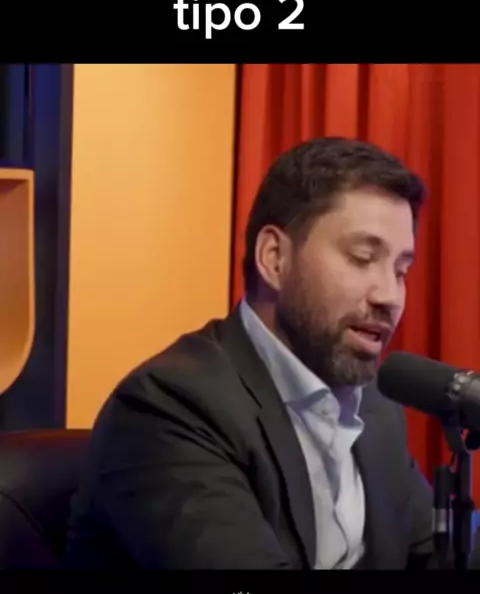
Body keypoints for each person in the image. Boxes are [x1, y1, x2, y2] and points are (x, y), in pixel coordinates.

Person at [64, 136, 434, 570]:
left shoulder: (375, 410)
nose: (390, 296)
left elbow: (435, 554)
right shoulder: (169, 407)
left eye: (401, 271)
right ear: (274, 258)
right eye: (362, 258)